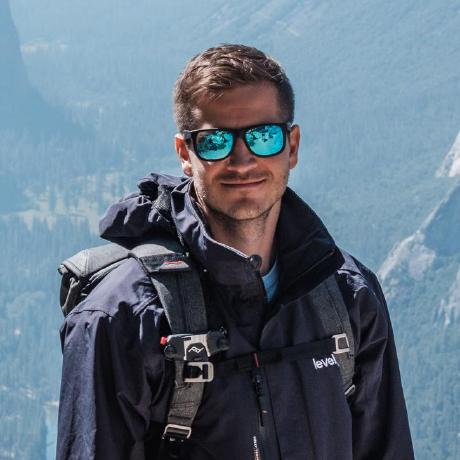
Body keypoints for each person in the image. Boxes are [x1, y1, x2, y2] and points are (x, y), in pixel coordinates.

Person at [56, 44, 414, 459]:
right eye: (215, 141)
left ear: (292, 146)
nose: (242, 160)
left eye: (263, 137)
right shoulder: (123, 318)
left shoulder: (348, 297)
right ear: (185, 154)